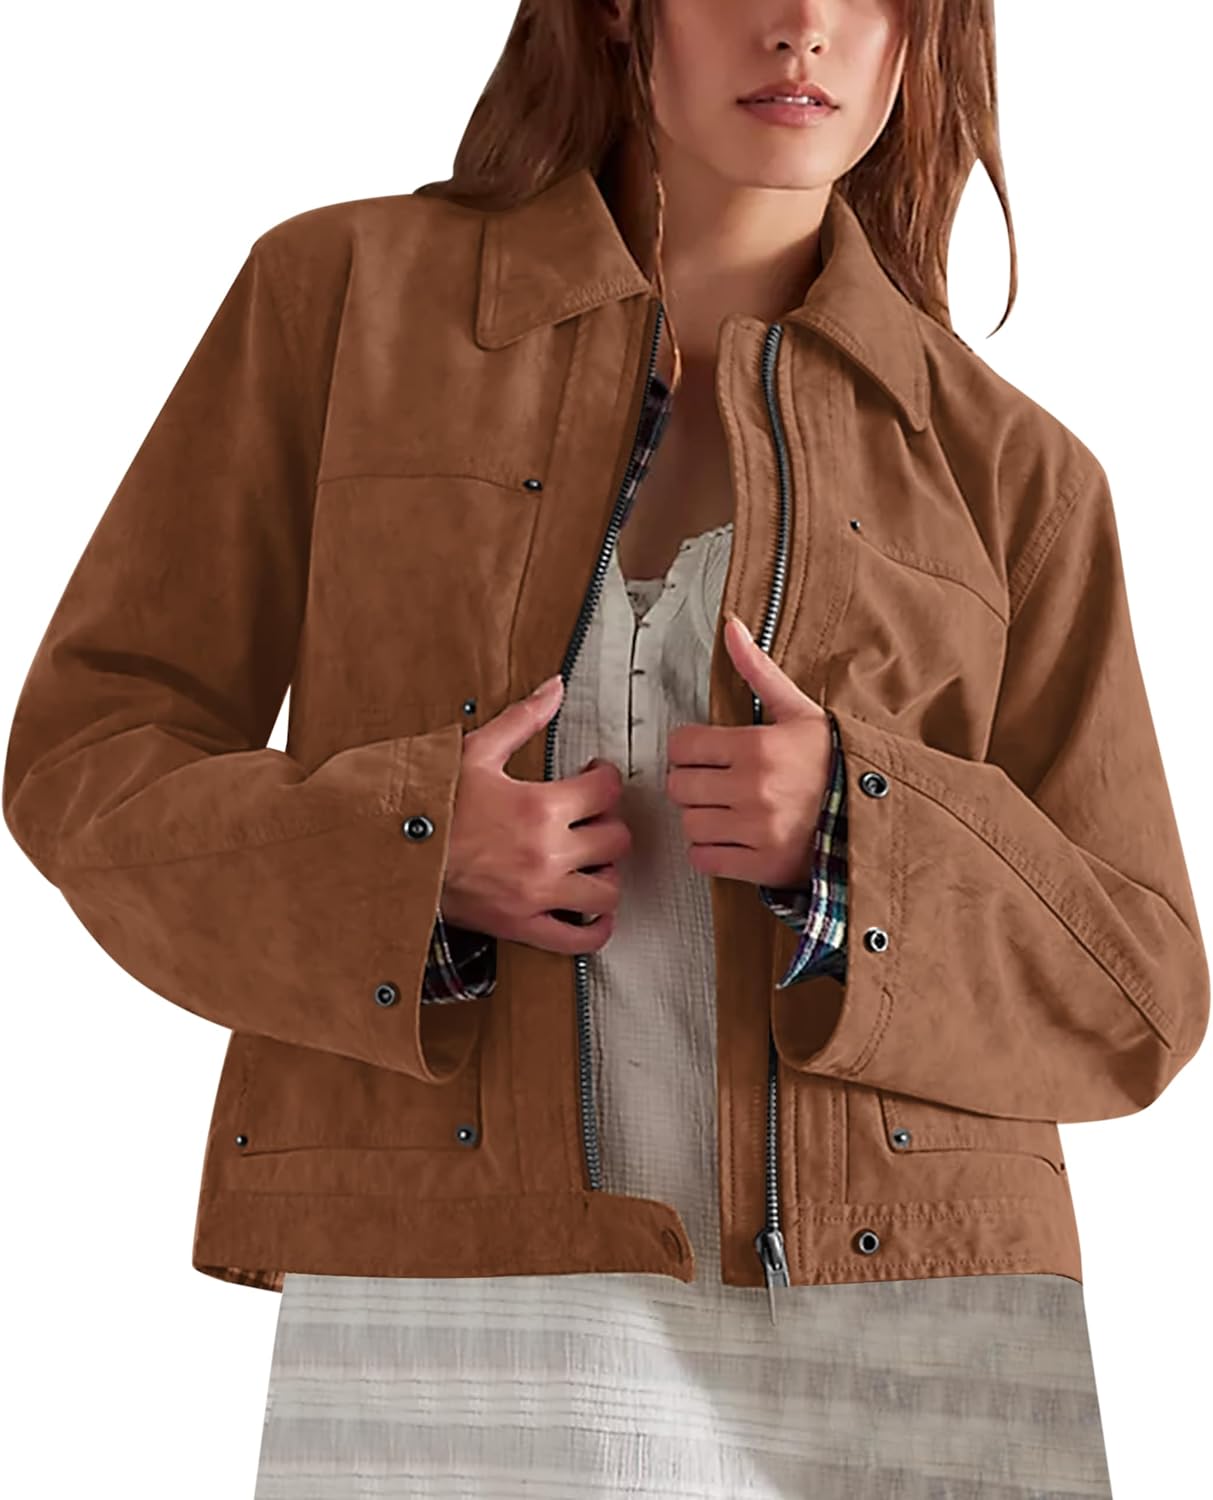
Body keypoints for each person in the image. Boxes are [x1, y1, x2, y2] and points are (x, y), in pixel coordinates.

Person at [4, 2, 1207, 1495]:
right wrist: (408, 849)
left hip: (923, 1338)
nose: (804, 29)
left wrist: (858, 837)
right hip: (461, 1313)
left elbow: (1141, 993)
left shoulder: (1012, 470)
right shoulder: (344, 302)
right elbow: (91, 752)